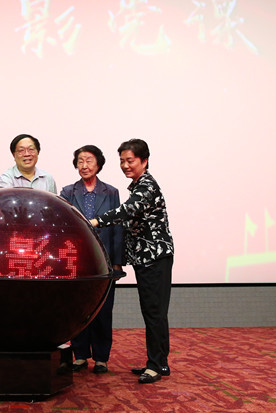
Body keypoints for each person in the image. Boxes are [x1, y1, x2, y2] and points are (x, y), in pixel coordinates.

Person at [90, 139, 174, 385]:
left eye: (130, 160)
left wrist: (95, 221)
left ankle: (156, 365)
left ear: (144, 161)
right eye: (122, 161)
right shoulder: (138, 185)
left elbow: (127, 210)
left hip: (154, 258)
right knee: (153, 311)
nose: (125, 165)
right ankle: (159, 362)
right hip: (146, 259)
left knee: (154, 312)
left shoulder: (146, 185)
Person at [59, 145, 124, 375]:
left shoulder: (111, 192)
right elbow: (63, 226)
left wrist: (117, 261)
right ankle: (80, 355)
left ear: (98, 164)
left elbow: (117, 226)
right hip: (76, 259)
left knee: (104, 310)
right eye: (80, 161)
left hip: (104, 261)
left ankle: (101, 358)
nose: (84, 165)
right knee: (77, 309)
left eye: (89, 160)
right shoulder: (68, 192)